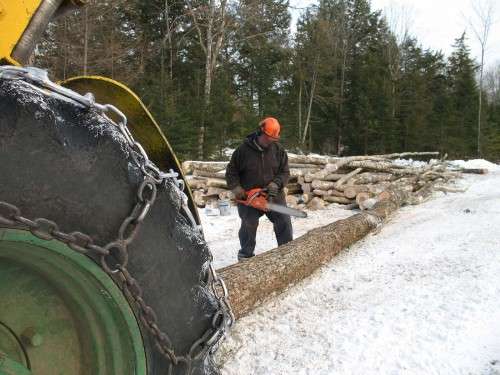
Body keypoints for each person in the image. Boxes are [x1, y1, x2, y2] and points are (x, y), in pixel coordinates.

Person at [225, 117, 293, 261]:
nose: (270, 141)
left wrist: (276, 183)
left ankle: (287, 253)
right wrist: (237, 189)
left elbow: (285, 172)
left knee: (284, 220)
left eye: (273, 138)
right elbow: (231, 172)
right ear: (260, 132)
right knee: (248, 224)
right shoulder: (243, 150)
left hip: (273, 195)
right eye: (268, 138)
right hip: (249, 197)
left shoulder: (278, 150)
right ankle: (246, 255)